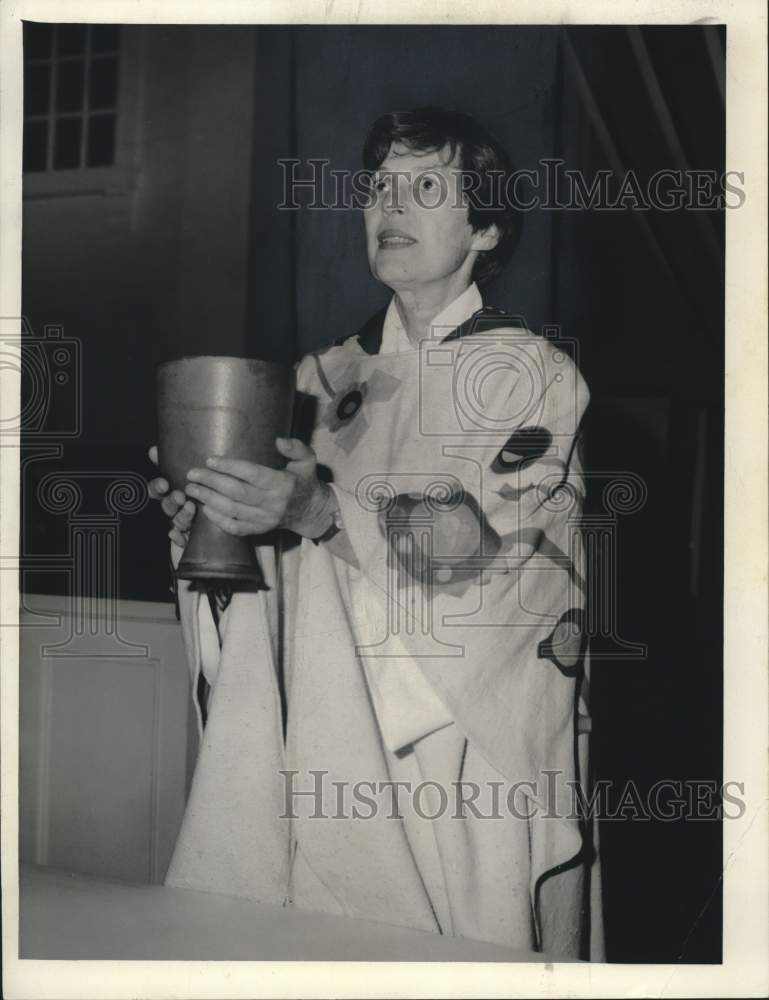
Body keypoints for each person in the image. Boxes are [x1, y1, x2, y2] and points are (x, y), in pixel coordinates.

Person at [149, 107, 603, 960]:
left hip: (451, 755)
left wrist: (317, 513)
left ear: (486, 225)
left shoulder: (529, 374)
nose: (390, 205)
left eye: (425, 186)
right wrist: (215, 533)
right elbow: (272, 585)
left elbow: (509, 578)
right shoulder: (316, 379)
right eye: (378, 188)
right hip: (313, 736)